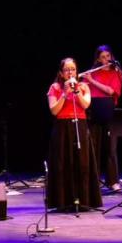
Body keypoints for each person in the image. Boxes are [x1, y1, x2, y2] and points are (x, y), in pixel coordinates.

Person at [45, 58, 101, 211]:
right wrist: (64, 93)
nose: (70, 72)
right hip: (62, 128)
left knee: (82, 163)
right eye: (67, 70)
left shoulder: (83, 87)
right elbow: (54, 110)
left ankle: (83, 200)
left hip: (80, 126)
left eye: (73, 69)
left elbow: (85, 105)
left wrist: (76, 92)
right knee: (62, 164)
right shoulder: (55, 87)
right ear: (61, 73)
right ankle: (63, 202)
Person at [82, 45, 122, 192]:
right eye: (103, 57)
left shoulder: (116, 73)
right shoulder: (92, 73)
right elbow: (85, 91)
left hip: (110, 113)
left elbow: (110, 91)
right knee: (92, 148)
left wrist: (92, 81)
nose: (106, 59)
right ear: (98, 59)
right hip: (93, 112)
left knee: (111, 149)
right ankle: (93, 181)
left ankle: (113, 181)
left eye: (108, 56)